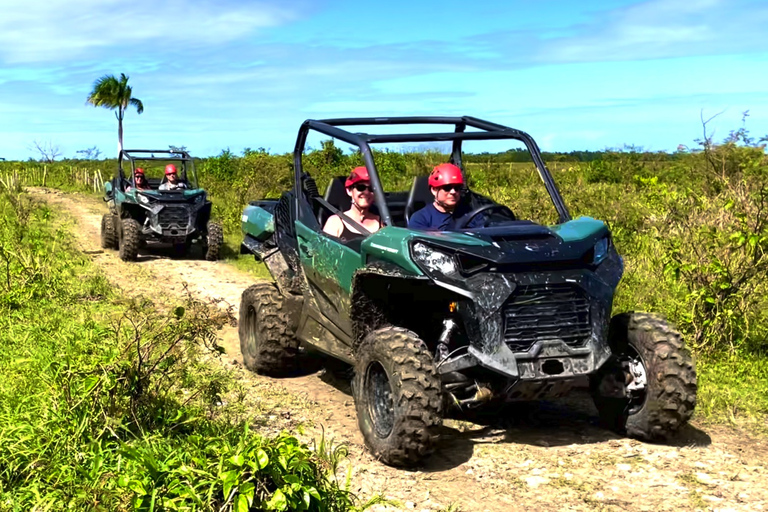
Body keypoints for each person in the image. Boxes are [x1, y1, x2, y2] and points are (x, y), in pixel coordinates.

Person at [408, 163, 484, 230]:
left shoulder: (472, 214)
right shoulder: (420, 219)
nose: (453, 192)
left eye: (457, 188)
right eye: (447, 188)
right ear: (434, 190)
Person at [323, 166, 381, 241]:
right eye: (361, 187)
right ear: (349, 191)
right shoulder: (335, 222)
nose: (366, 192)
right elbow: (324, 251)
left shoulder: (382, 224)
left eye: (371, 189)